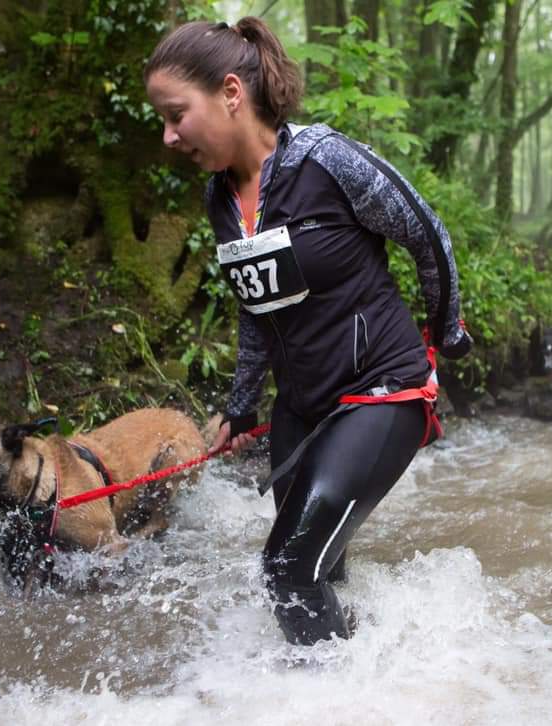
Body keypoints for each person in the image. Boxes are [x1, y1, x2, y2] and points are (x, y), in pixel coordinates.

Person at [144, 17, 472, 646]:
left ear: (231, 93)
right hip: (300, 408)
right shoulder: (219, 198)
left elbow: (428, 235)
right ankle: (365, 663)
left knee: (286, 571)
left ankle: (335, 703)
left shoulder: (327, 161)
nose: (167, 135)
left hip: (383, 394)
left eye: (176, 113)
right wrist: (241, 407)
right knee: (323, 568)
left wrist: (445, 329)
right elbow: (255, 307)